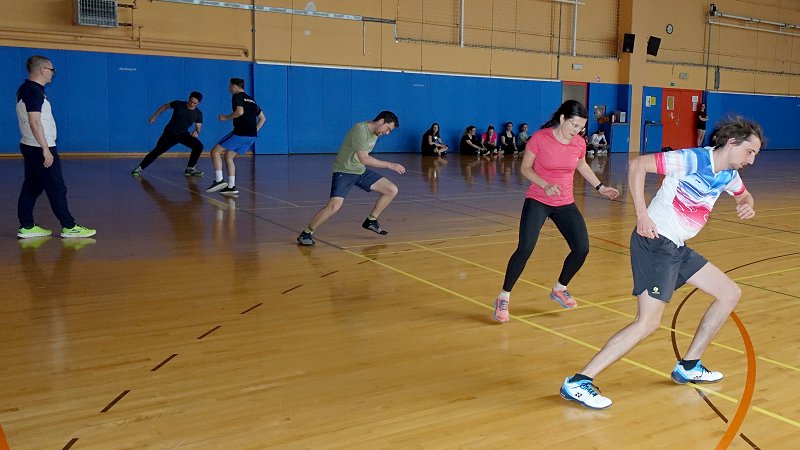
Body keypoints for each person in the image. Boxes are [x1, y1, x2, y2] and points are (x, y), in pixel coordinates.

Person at [560, 116, 764, 410]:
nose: (752, 160)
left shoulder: (728, 174)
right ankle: (579, 381)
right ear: (732, 143)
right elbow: (638, 165)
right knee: (648, 322)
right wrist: (642, 215)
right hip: (656, 242)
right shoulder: (693, 159)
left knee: (729, 293)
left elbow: (744, 195)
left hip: (676, 247)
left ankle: (689, 365)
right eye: (750, 151)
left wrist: (746, 204)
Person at [492, 100, 619, 322]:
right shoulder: (540, 138)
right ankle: (503, 297)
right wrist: (545, 185)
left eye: (581, 127)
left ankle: (560, 289)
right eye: (574, 125)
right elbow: (525, 168)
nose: (577, 130)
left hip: (565, 202)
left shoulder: (579, 143)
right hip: (539, 199)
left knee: (581, 248)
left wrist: (600, 187)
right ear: (562, 118)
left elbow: (582, 165)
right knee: (525, 248)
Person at [15, 55, 96, 239]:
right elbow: (34, 122)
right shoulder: (33, 91)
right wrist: (45, 149)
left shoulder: (25, 89)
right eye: (52, 70)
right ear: (43, 70)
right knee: (56, 187)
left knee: (32, 186)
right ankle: (69, 226)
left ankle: (27, 226)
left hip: (30, 145)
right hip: (39, 147)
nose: (53, 73)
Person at [296, 111, 405, 246]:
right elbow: (364, 159)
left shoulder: (375, 134)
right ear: (381, 121)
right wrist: (390, 165)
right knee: (334, 206)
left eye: (390, 131)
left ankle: (371, 220)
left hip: (359, 171)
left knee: (391, 189)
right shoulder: (360, 130)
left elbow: (362, 160)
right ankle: (306, 233)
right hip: (344, 171)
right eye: (388, 129)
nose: (387, 133)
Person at [205, 78, 266, 195]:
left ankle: (219, 180)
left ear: (234, 86)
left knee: (215, 152)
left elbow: (239, 112)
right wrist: (253, 131)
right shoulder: (252, 100)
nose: (229, 89)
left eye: (230, 86)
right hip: (252, 136)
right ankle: (231, 187)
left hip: (240, 133)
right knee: (228, 156)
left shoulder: (237, 96)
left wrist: (225, 117)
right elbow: (263, 118)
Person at [132, 91, 205, 177]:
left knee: (199, 146)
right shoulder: (178, 104)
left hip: (183, 134)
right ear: (188, 98)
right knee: (157, 151)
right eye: (190, 101)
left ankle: (190, 168)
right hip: (170, 133)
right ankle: (139, 168)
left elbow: (198, 127)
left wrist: (196, 132)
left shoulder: (198, 113)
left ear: (198, 103)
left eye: (194, 103)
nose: (191, 104)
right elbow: (165, 106)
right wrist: (154, 116)